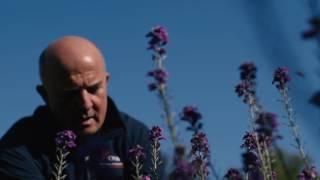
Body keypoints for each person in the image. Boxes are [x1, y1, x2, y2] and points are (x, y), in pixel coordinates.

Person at [0, 36, 153, 180]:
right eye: (70, 94)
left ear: (106, 82)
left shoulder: (136, 138)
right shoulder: (17, 147)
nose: (85, 104)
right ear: (45, 94)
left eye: (93, 89)